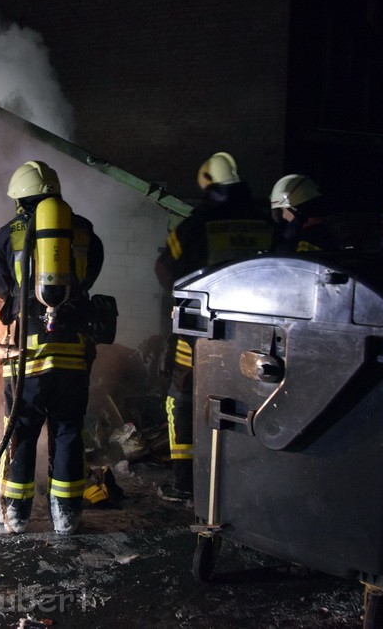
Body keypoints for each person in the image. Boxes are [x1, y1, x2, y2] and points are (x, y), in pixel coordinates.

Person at [0, 160, 104, 535]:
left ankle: (16, 515)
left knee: (21, 431)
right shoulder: (82, 231)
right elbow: (91, 273)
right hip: (73, 351)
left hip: (27, 353)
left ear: (20, 200)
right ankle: (66, 517)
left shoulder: (9, 232)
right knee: (68, 430)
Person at [154, 152, 273, 503]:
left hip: (202, 334)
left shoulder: (197, 225)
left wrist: (183, 300)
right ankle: (238, 479)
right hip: (255, 336)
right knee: (246, 402)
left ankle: (185, 484)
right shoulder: (263, 222)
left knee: (181, 399)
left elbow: (164, 267)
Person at [269, 174, 339, 252]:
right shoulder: (329, 232)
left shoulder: (310, 239)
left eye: (282, 210)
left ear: (295, 209)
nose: (284, 216)